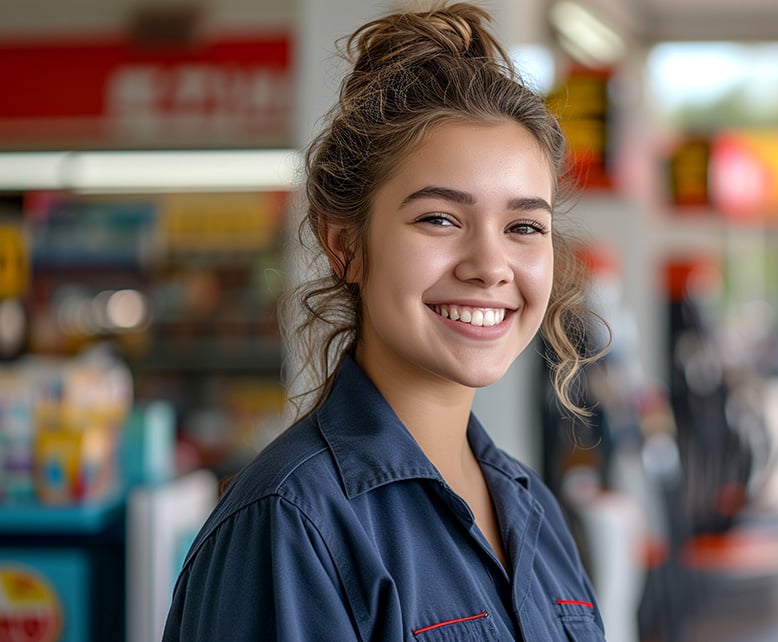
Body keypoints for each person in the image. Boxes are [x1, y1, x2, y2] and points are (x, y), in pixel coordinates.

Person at [162, 2, 609, 640]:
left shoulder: (531, 505)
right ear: (346, 245)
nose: (491, 266)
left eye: (523, 227)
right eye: (439, 219)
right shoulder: (291, 523)